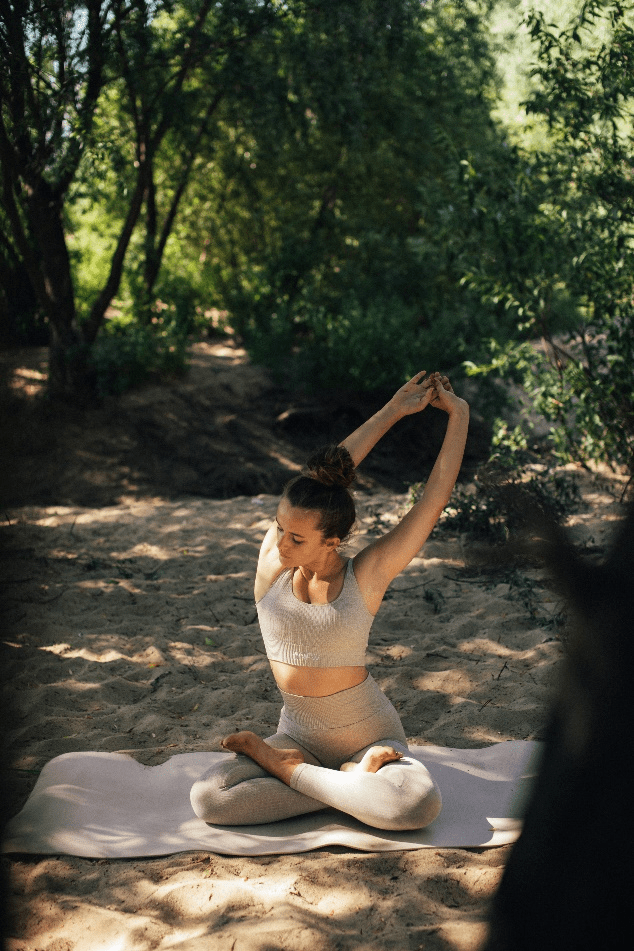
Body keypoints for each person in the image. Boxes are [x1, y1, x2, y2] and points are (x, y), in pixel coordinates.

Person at [190, 371, 469, 831]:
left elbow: (432, 501)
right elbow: (320, 477)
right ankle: (345, 785)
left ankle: (291, 771)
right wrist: (394, 409)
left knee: (417, 805)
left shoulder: (367, 575)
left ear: (333, 541)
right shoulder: (271, 569)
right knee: (210, 799)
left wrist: (459, 415)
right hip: (298, 735)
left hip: (370, 735)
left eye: (297, 538)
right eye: (280, 528)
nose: (280, 545)